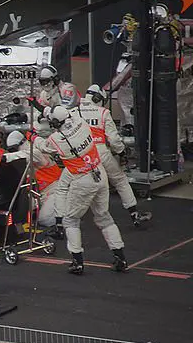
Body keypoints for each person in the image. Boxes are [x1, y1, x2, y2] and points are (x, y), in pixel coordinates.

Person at [37, 106, 127, 274]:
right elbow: (64, 114)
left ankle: (77, 261)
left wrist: (33, 137)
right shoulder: (82, 123)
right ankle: (120, 256)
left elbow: (44, 146)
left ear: (56, 122)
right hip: (99, 173)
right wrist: (47, 110)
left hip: (82, 180)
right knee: (104, 217)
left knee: (70, 220)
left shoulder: (58, 139)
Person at [76, 85, 151, 227]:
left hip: (81, 154)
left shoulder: (75, 111)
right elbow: (114, 140)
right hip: (100, 152)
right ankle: (134, 214)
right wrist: (122, 152)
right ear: (98, 98)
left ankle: (68, 220)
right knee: (120, 180)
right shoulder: (103, 113)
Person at [3, 130, 64, 237]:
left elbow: (28, 155)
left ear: (22, 143)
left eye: (13, 149)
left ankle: (68, 213)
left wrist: (5, 157)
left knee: (45, 220)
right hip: (38, 193)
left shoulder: (36, 152)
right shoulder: (23, 157)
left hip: (55, 189)